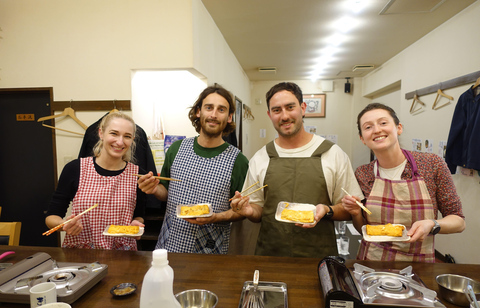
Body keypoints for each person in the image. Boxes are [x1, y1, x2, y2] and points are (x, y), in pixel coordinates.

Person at [230, 82, 363, 258]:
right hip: (270, 254)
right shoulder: (260, 158)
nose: (284, 116)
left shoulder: (333, 154)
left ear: (303, 108)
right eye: (277, 110)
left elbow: (350, 209)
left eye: (290, 107)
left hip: (319, 257)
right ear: (270, 115)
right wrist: (248, 211)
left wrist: (326, 210)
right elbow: (258, 210)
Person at [342, 103, 465, 262]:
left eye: (383, 123)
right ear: (362, 139)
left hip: (419, 265)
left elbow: (458, 221)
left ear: (398, 128)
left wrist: (432, 224)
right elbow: (363, 229)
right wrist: (356, 212)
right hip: (372, 262)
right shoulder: (363, 173)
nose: (377, 130)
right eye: (368, 127)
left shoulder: (431, 164)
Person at [137, 84, 249, 254]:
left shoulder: (238, 160)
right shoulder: (176, 149)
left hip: (212, 249)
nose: (213, 115)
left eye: (221, 109)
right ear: (198, 112)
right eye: (208, 108)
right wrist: (154, 189)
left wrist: (217, 217)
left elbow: (241, 211)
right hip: (170, 244)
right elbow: (166, 192)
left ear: (229, 117)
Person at [45, 112, 146, 250]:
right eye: (114, 133)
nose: (120, 142)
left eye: (127, 136)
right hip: (80, 254)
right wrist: (64, 225)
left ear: (132, 139)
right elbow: (51, 217)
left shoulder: (138, 174)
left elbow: (138, 215)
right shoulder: (75, 169)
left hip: (122, 254)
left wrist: (136, 224)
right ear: (101, 133)